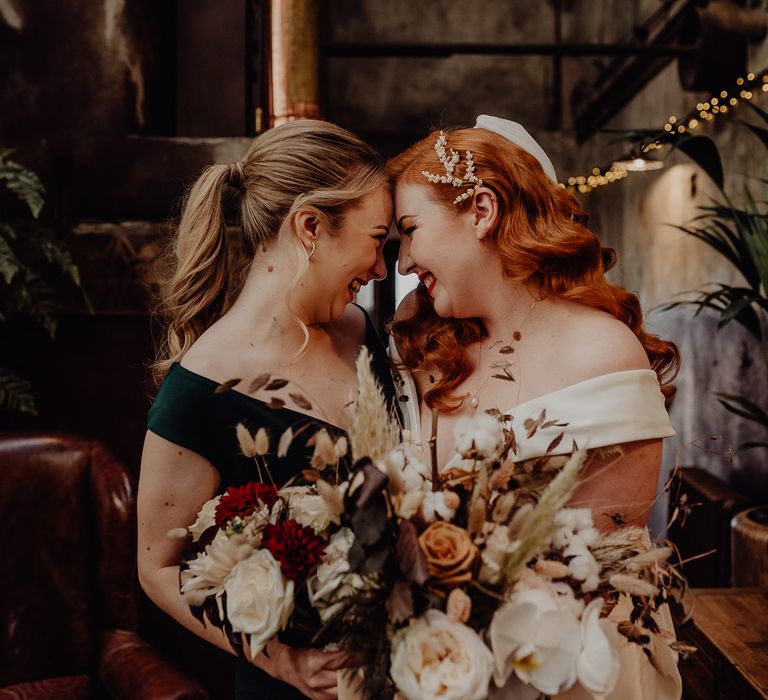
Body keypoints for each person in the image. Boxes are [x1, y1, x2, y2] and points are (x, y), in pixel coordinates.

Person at [388, 115, 682, 699]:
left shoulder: (602, 351)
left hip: (573, 664)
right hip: (441, 664)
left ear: (481, 210)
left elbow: (609, 561)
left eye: (410, 229)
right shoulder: (426, 347)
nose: (400, 262)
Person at [137, 120, 396, 700]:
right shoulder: (197, 389)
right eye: (376, 238)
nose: (381, 268)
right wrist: (280, 661)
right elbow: (156, 568)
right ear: (310, 226)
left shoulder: (359, 330)